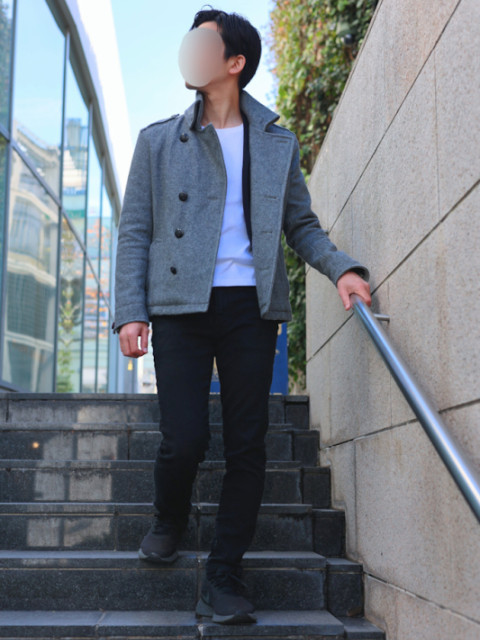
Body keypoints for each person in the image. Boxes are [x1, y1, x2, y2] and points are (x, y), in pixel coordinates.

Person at [111, 6, 372, 626]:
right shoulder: (157, 141)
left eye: (203, 44)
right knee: (184, 438)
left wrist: (342, 269)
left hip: (251, 306)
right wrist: (130, 312)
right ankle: (169, 516)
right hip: (180, 304)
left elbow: (300, 225)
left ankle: (223, 575)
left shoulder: (276, 141)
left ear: (234, 62)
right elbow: (136, 231)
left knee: (248, 445)